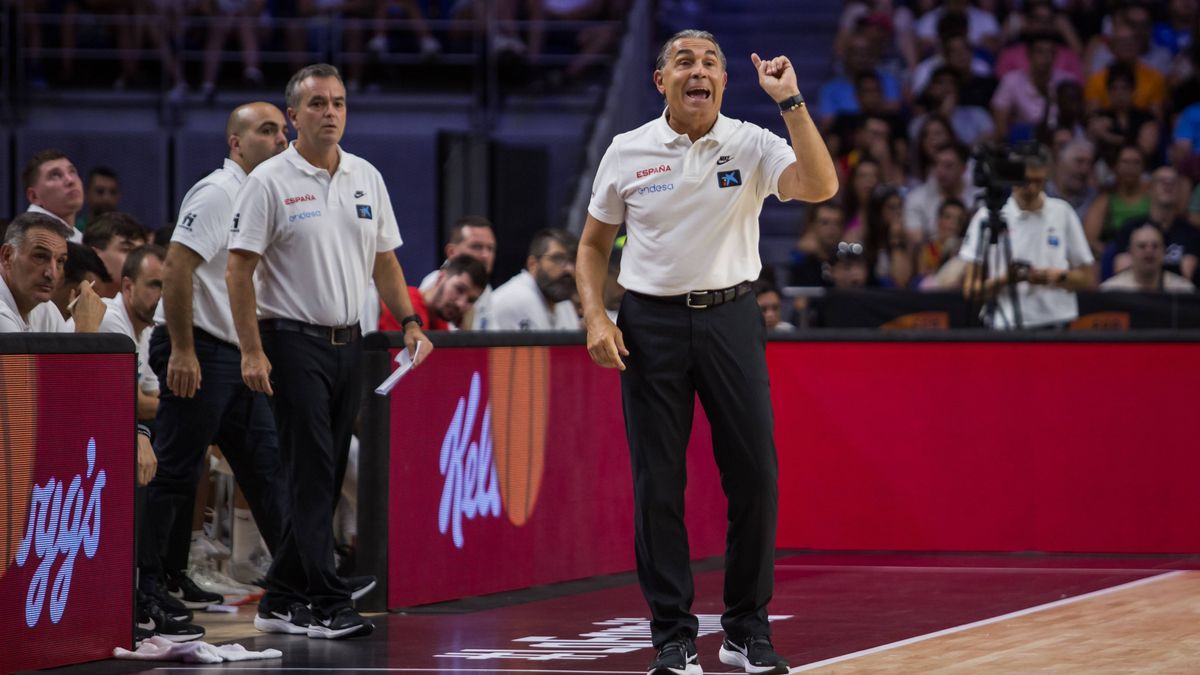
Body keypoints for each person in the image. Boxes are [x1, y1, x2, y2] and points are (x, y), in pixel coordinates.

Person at [576, 29, 837, 675]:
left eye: (711, 62)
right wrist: (595, 317)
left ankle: (747, 629)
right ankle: (673, 635)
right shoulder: (627, 148)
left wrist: (792, 99)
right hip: (648, 324)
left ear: (724, 80)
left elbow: (821, 184)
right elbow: (590, 246)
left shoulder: (751, 141)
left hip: (731, 318)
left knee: (756, 477)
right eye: (685, 62)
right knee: (657, 485)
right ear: (660, 80)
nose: (700, 70)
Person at [227, 63, 433, 640]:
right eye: (317, 104)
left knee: (326, 466)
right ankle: (327, 599)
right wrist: (251, 350)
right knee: (314, 470)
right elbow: (238, 269)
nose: (330, 112)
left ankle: (282, 595)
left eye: (338, 102)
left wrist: (412, 322)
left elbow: (386, 260)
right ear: (293, 117)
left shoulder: (366, 175)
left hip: (352, 343)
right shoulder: (268, 180)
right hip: (290, 340)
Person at [141, 102, 293, 627]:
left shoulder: (262, 197)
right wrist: (182, 349)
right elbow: (176, 268)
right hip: (199, 347)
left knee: (268, 469)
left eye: (282, 131)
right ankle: (144, 587)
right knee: (175, 471)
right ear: (235, 142)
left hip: (237, 354)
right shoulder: (217, 192)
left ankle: (302, 581)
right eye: (266, 130)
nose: (279, 140)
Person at [961, 144, 1096, 329]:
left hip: (1056, 322)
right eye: (1025, 181)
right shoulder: (987, 216)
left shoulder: (1062, 212)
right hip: (1004, 323)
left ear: (1046, 176)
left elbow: (1087, 278)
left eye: (1038, 181)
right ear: (1012, 179)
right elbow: (971, 290)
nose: (1031, 189)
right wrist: (1006, 279)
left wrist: (1056, 276)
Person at [0, 212, 106, 333]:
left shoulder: (46, 309)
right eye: (40, 257)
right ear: (7, 256)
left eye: (60, 261)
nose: (52, 274)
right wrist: (87, 327)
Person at [1110, 166, 1200, 282]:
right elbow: (1122, 273)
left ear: (1179, 192)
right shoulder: (1131, 227)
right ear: (1149, 189)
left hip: (1173, 296)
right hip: (1133, 297)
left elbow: (1185, 277)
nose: (1168, 185)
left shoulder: (1191, 232)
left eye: (1173, 182)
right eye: (1162, 181)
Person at [490, 228, 580, 331]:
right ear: (532, 264)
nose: (569, 268)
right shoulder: (514, 299)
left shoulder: (565, 305)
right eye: (558, 258)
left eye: (573, 261)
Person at [418, 215, 497, 329]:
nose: (485, 255)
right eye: (476, 247)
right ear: (452, 252)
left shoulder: (485, 289)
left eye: (490, 248)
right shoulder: (436, 283)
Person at [383, 254, 488, 330]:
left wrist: (465, 332)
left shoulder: (440, 323)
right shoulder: (405, 309)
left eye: (471, 300)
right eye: (459, 289)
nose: (460, 304)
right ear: (441, 277)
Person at [1101, 223, 1196, 292]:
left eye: (1155, 246)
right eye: (1142, 246)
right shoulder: (1112, 290)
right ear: (1130, 253)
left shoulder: (1183, 291)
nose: (1149, 251)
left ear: (1164, 253)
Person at [22, 149, 85, 243]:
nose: (70, 180)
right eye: (55, 175)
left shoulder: (78, 238)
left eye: (72, 171)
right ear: (34, 196)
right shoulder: (33, 239)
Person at [83, 212, 149, 298]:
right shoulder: (67, 304)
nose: (139, 259)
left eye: (141, 252)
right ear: (94, 255)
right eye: (127, 250)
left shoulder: (155, 306)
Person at [77, 166, 122, 232]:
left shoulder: (127, 232)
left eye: (113, 192)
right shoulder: (74, 230)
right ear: (86, 194)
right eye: (100, 191)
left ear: (119, 196)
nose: (106, 198)